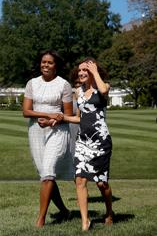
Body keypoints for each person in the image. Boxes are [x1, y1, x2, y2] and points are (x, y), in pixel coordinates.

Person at [22, 50, 74, 227]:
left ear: (56, 65)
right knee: (45, 174)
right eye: (43, 62)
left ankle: (41, 219)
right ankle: (65, 211)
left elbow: (68, 114)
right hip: (36, 131)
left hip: (58, 132)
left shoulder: (64, 85)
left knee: (48, 171)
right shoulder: (32, 83)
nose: (45, 65)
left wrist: (52, 121)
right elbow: (26, 111)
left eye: (50, 63)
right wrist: (48, 114)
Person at [63, 57, 114, 231]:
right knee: (80, 179)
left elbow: (102, 90)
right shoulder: (78, 91)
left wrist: (94, 72)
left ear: (94, 71)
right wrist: (62, 118)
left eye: (86, 70)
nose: (82, 73)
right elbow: (79, 117)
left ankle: (109, 212)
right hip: (83, 141)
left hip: (101, 142)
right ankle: (85, 221)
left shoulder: (104, 86)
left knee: (101, 183)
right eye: (80, 70)